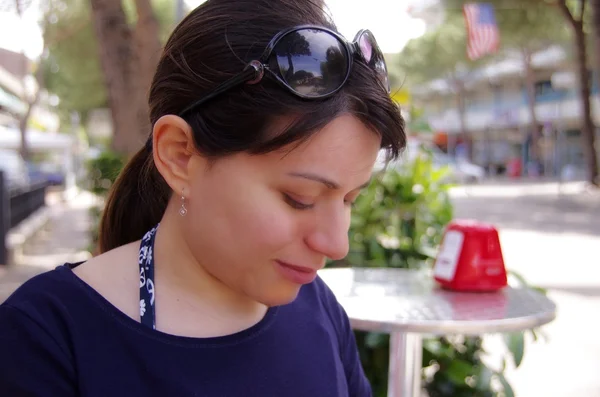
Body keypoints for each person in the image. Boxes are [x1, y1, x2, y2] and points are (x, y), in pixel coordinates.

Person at [0, 0, 405, 395]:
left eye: (350, 199)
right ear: (180, 156)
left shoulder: (319, 309)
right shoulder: (44, 339)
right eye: (299, 198)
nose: (336, 244)